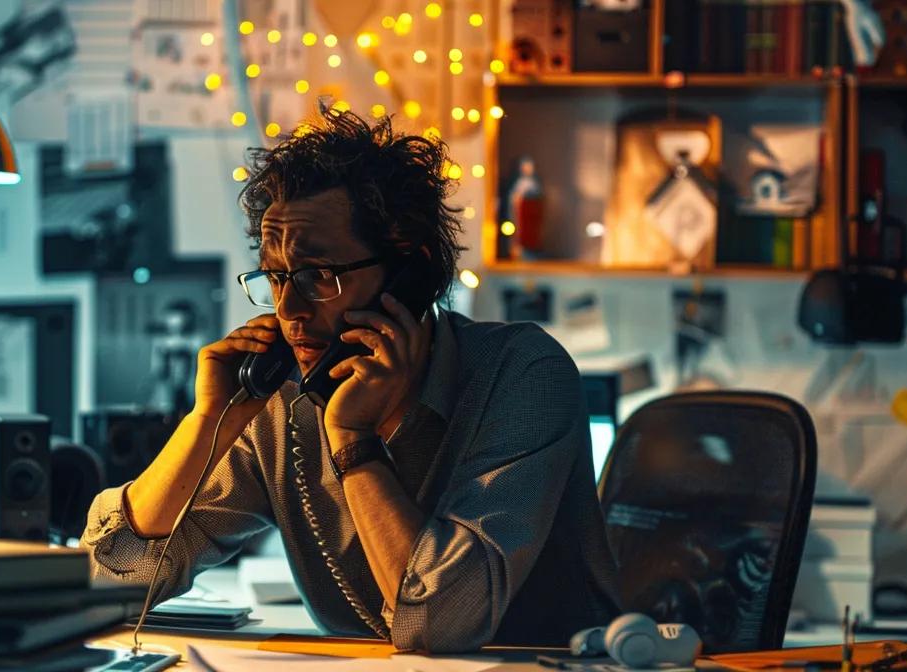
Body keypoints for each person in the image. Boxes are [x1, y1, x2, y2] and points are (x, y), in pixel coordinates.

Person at [81, 109, 618, 653]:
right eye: (275, 276)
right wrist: (207, 425)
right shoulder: (281, 395)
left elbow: (437, 623)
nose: (289, 309)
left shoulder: (523, 375)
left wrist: (352, 436)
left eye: (320, 276)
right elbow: (106, 583)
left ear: (411, 272)